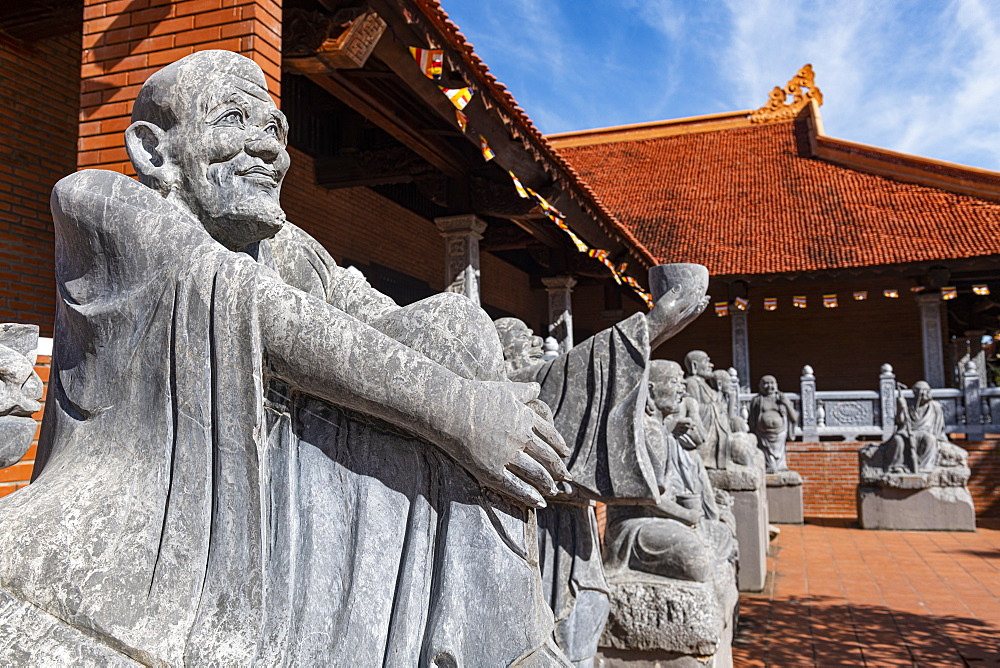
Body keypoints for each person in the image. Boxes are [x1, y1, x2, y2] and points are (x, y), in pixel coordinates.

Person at [0, 51, 571, 665]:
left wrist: (480, 372)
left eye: (275, 130)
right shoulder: (100, 202)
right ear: (153, 150)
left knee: (454, 325)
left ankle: (495, 638)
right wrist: (460, 410)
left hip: (288, 501)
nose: (269, 150)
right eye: (233, 121)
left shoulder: (286, 246)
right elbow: (262, 310)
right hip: (150, 517)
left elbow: (380, 319)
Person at [496, 271, 708, 667]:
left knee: (589, 610)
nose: (540, 346)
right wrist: (651, 326)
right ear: (503, 354)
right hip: (537, 523)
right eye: (525, 343)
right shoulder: (504, 388)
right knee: (556, 625)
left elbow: (563, 376)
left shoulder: (538, 378)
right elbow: (556, 378)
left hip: (575, 521)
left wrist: (652, 333)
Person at [604, 360, 737, 583]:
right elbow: (645, 497)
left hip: (664, 517)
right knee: (698, 561)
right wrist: (687, 515)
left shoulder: (662, 431)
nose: (682, 388)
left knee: (721, 534)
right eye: (674, 381)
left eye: (682, 381)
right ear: (651, 390)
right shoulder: (644, 432)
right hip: (636, 525)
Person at [682, 351, 756, 469]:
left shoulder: (704, 385)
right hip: (708, 432)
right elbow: (694, 408)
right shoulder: (692, 383)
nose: (711, 365)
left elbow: (718, 403)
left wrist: (727, 398)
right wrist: (715, 406)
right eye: (706, 361)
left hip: (720, 428)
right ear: (694, 366)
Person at [884, 381, 945, 473]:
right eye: (924, 390)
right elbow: (900, 421)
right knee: (898, 439)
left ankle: (924, 466)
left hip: (925, 431)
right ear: (916, 393)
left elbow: (938, 428)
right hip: (907, 430)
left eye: (928, 390)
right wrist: (901, 408)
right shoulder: (908, 405)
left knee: (930, 439)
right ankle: (897, 466)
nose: (928, 393)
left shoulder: (935, 407)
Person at [748, 375, 798, 472]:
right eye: (765, 383)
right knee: (767, 460)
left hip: (780, 433)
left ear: (776, 385)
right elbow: (752, 419)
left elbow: (794, 418)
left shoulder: (781, 398)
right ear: (760, 386)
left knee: (779, 460)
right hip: (763, 434)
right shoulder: (757, 400)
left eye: (772, 383)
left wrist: (786, 403)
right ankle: (769, 466)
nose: (769, 386)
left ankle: (780, 466)